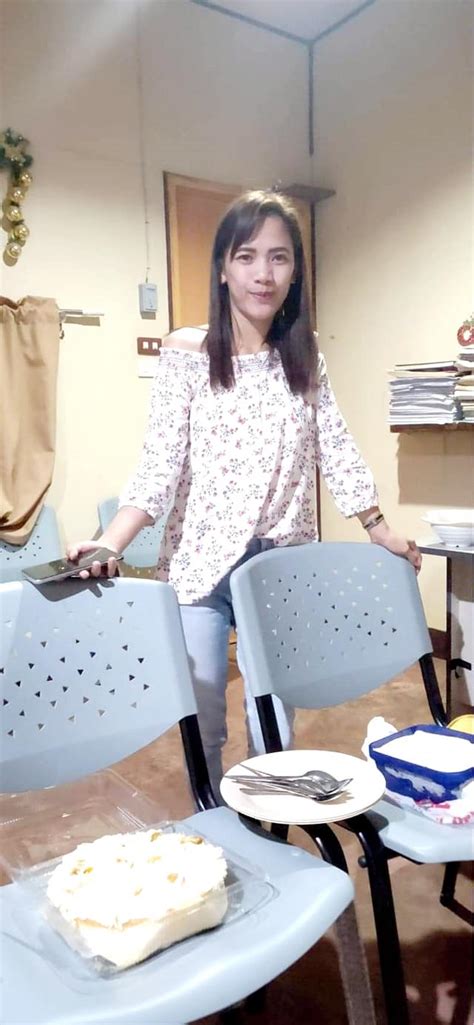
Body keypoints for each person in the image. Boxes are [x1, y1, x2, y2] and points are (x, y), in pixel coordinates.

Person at [68, 189, 421, 797]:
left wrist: (378, 526)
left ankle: (268, 827)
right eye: (247, 256)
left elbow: (335, 446)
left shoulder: (304, 355)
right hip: (200, 565)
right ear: (223, 268)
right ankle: (214, 828)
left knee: (273, 728)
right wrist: (110, 543)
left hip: (280, 566)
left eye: (279, 257)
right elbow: (159, 465)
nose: (263, 274)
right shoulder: (187, 352)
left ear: (295, 271)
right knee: (202, 723)